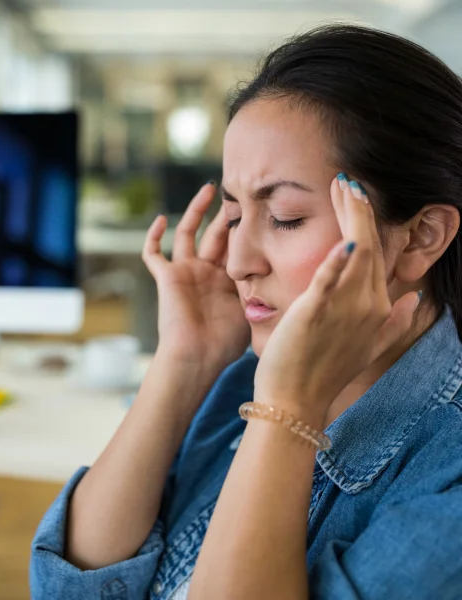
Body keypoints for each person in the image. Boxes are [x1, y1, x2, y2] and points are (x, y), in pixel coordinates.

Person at [30, 24, 462, 600]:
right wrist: (185, 361)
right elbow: (69, 591)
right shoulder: (237, 379)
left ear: (419, 238)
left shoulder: (446, 482)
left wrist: (287, 412)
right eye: (232, 215)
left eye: (284, 216)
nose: (237, 262)